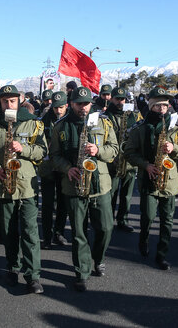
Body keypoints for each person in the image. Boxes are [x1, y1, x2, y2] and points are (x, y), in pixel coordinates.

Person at [50, 86, 118, 292]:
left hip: (100, 185)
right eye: (79, 103)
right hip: (74, 186)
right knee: (79, 232)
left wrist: (98, 150)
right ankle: (81, 272)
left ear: (91, 104)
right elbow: (53, 156)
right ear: (71, 104)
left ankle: (98, 259)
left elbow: (114, 149)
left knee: (105, 228)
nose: (83, 107)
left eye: (86, 103)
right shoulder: (60, 126)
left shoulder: (104, 122)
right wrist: (67, 168)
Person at [0, 85, 46, 294]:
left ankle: (33, 275)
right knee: (8, 231)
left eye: (12, 101)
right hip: (2, 185)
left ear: (18, 101)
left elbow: (42, 151)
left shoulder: (33, 122)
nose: (8, 104)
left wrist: (23, 148)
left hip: (26, 185)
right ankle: (12, 267)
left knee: (29, 231)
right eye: (4, 101)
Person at [124, 87, 178, 270]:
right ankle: (143, 241)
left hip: (169, 182)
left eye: (165, 105)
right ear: (151, 106)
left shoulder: (176, 128)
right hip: (148, 180)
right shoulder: (140, 128)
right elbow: (129, 153)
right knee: (148, 216)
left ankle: (162, 254)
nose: (162, 109)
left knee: (167, 220)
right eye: (158, 105)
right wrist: (146, 165)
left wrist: (173, 147)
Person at [105, 87, 139, 232]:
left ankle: (123, 220)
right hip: (112, 161)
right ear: (111, 99)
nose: (120, 102)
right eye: (117, 98)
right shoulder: (105, 116)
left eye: (122, 99)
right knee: (111, 194)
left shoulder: (134, 115)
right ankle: (108, 220)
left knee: (126, 195)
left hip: (129, 161)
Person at [39, 91, 69, 249]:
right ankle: (47, 236)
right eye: (56, 107)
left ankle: (59, 232)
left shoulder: (69, 120)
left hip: (63, 167)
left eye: (61, 107)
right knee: (48, 204)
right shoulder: (44, 120)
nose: (58, 110)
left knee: (63, 202)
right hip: (48, 167)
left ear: (66, 106)